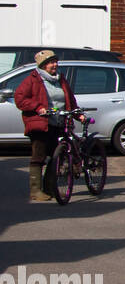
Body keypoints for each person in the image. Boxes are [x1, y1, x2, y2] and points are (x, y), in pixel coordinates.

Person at [14, 51, 83, 202]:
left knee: (55, 156)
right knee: (38, 157)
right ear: (43, 65)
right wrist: (37, 107)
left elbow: (70, 99)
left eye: (56, 61)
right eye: (51, 62)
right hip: (40, 123)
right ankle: (36, 191)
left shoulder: (60, 79)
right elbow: (20, 99)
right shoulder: (32, 80)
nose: (55, 65)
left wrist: (78, 114)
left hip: (58, 123)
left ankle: (49, 188)